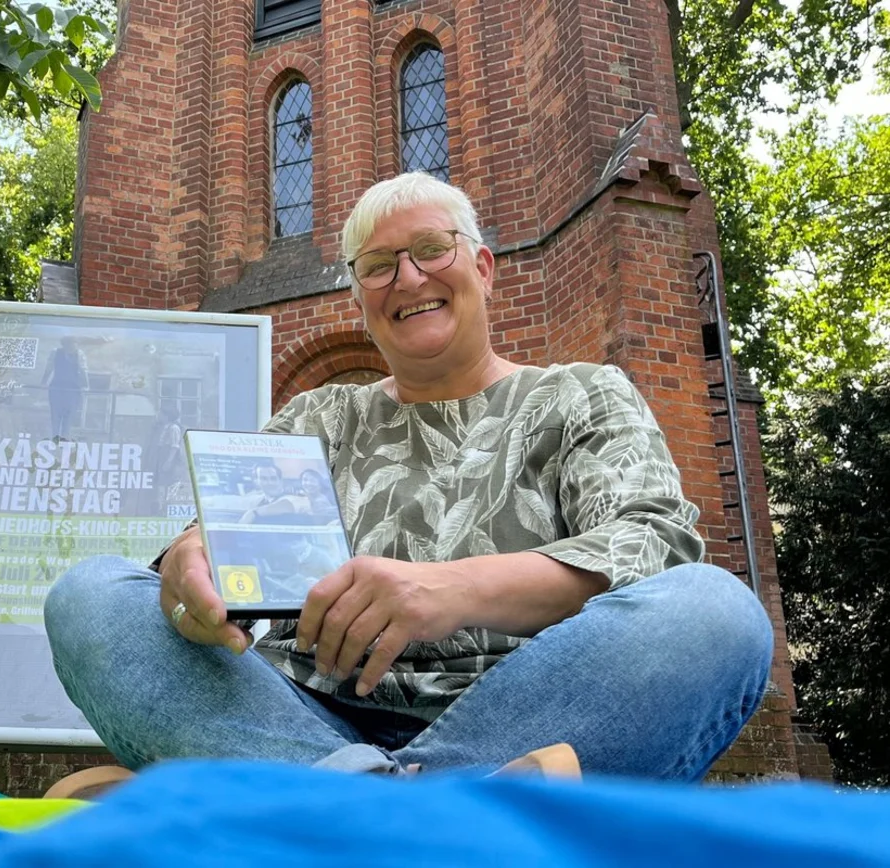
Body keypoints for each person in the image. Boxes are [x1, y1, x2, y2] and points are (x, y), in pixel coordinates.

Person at [44, 172, 772, 781]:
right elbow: (220, 544)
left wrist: (446, 591)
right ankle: (428, 819)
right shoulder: (320, 417)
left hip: (526, 709)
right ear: (360, 301)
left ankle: (319, 815)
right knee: (91, 597)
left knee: (716, 614)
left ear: (483, 268)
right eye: (379, 265)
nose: (409, 277)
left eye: (430, 250)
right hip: (292, 709)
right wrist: (186, 571)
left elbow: (654, 547)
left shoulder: (581, 393)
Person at [41, 336, 88, 441]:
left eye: (74, 344)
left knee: (69, 414)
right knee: (56, 414)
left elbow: (83, 370)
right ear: (64, 345)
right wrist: (44, 382)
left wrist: (85, 385)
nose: (72, 347)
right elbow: (49, 367)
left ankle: (64, 437)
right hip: (57, 387)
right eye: (69, 344)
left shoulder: (79, 355)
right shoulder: (56, 353)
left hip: (73, 389)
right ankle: (55, 437)